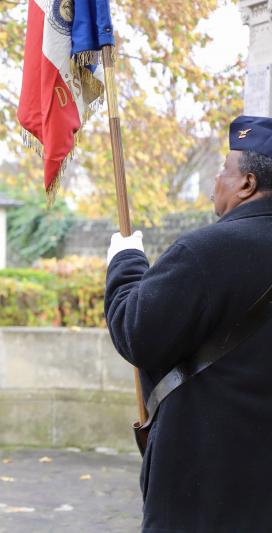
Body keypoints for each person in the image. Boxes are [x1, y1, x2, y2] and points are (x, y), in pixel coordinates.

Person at [105, 115, 272, 530]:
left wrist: (125, 261)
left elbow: (137, 333)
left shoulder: (205, 251)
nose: (216, 179)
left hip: (206, 487)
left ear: (246, 184)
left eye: (223, 170)